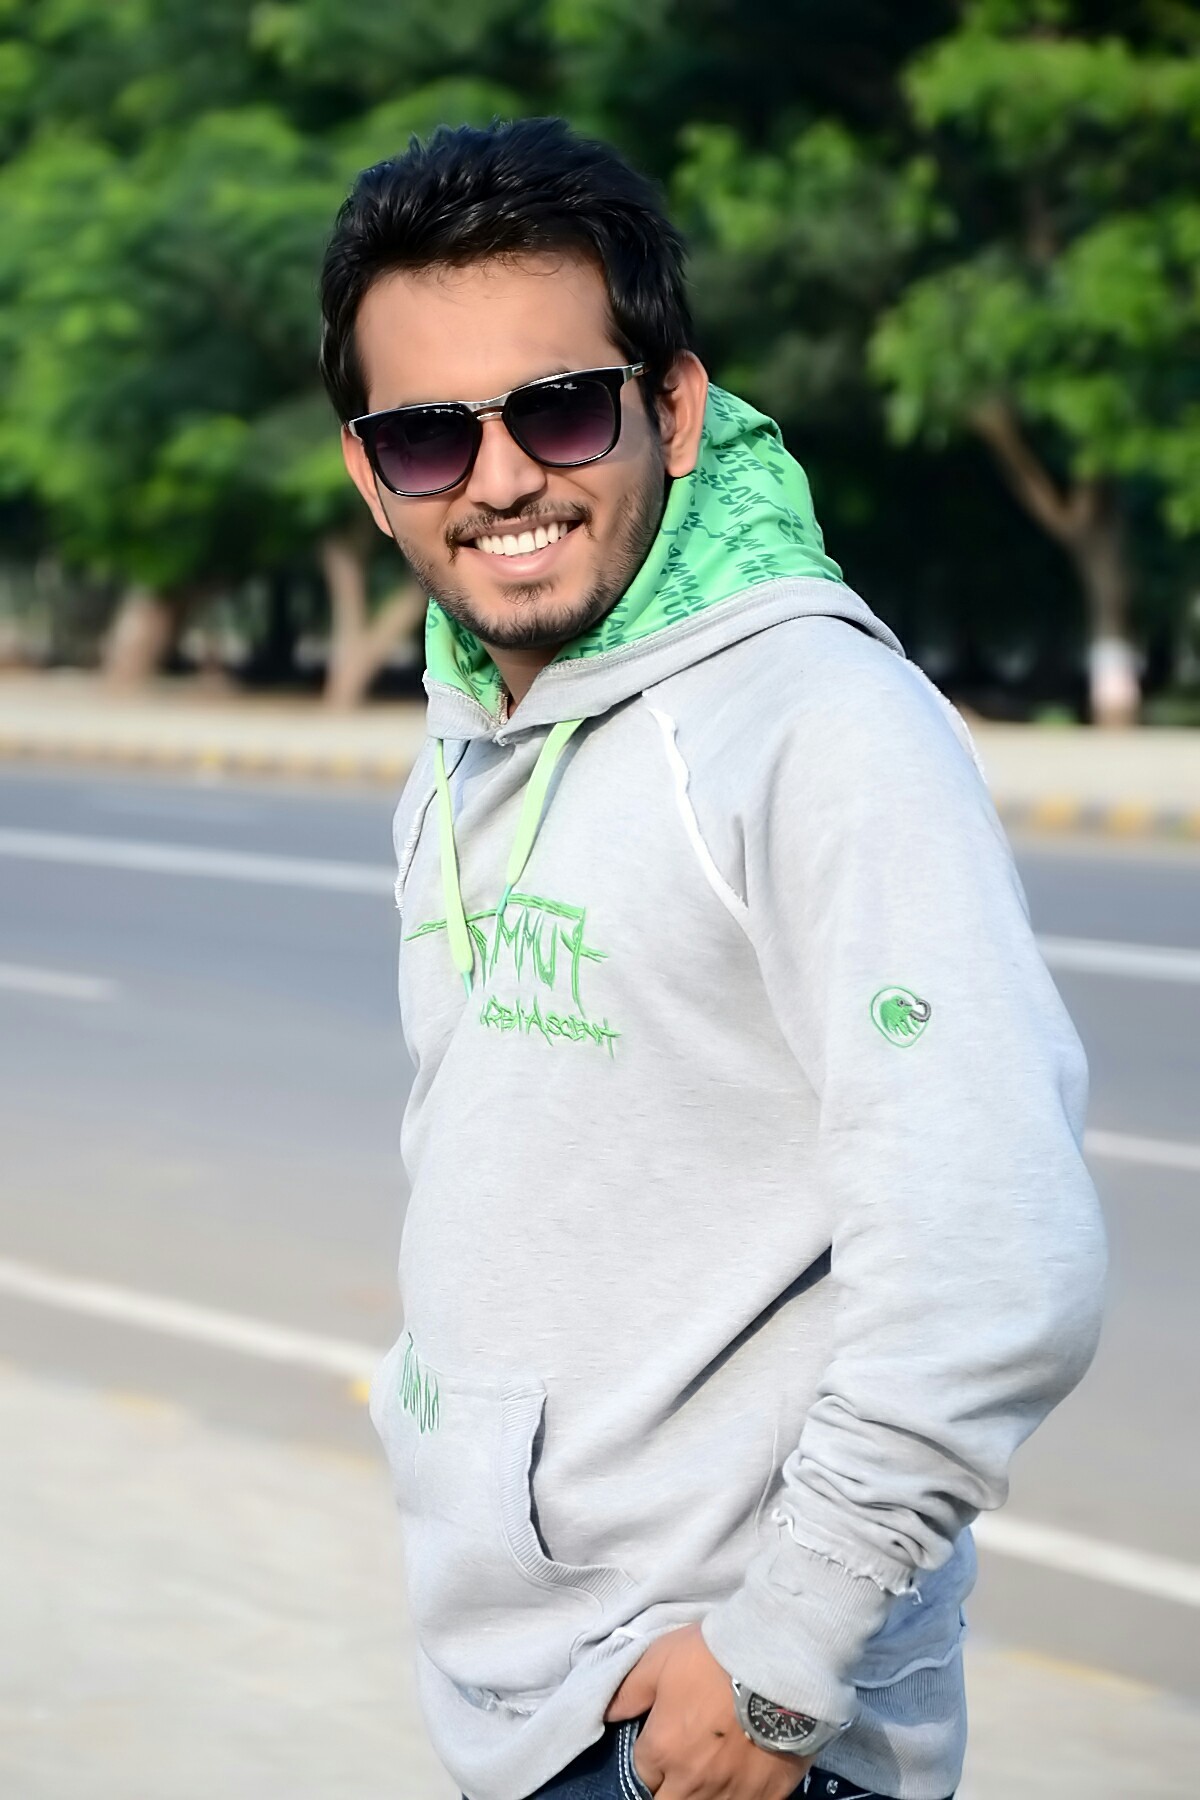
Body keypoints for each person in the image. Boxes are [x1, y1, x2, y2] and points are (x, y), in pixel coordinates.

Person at [320, 117, 1106, 1800]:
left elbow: (997, 1252)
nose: (501, 479)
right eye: (428, 437)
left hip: (722, 1721)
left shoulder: (820, 725)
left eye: (557, 409)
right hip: (529, 1695)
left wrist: (782, 1659)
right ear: (368, 473)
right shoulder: (467, 734)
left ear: (671, 409)